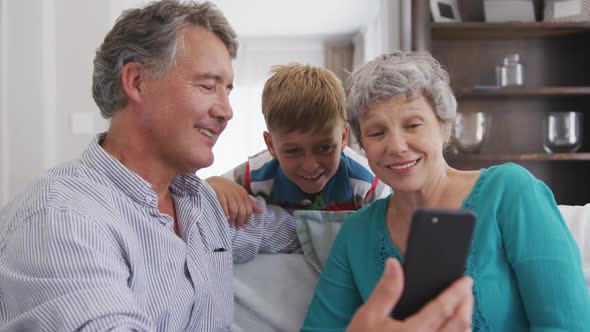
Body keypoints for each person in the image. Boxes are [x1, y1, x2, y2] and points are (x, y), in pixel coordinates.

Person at [0, 2, 474, 331]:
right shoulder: (62, 216)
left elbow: (292, 229)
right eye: (209, 86)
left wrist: (419, 202)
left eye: (229, 90)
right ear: (137, 82)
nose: (227, 111)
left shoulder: (203, 205)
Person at [302, 51, 590, 331]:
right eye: (377, 133)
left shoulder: (510, 192)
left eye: (413, 125)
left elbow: (567, 324)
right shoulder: (357, 233)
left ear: (444, 127)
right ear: (363, 146)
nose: (397, 146)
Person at [207, 63, 390, 227]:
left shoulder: (368, 184)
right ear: (271, 146)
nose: (310, 165)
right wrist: (214, 184)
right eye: (293, 151)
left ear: (343, 138)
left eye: (324, 148)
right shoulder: (256, 175)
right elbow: (204, 193)